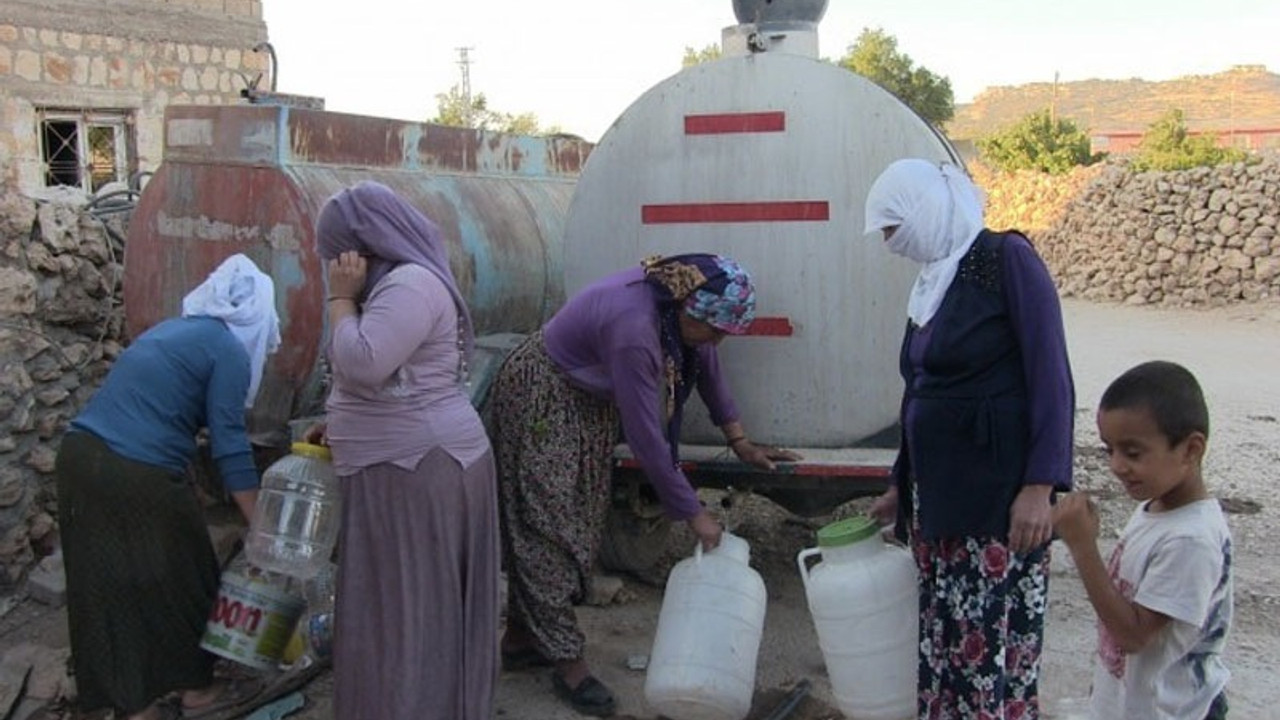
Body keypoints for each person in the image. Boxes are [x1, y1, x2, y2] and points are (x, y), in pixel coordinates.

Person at [490, 252, 798, 717]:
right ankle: (569, 663)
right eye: (715, 330)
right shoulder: (634, 331)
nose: (717, 341)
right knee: (547, 529)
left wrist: (739, 440)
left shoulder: (680, 303)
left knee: (577, 524)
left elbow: (706, 358)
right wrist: (693, 513)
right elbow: (645, 437)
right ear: (691, 311)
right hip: (544, 396)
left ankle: (519, 640)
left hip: (588, 402)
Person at [864, 158, 1075, 719]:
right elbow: (920, 392)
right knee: (946, 640)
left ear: (928, 210)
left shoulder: (1006, 260)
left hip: (994, 503)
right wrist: (898, 482)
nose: (889, 242)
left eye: (893, 227)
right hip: (938, 504)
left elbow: (1052, 375)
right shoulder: (935, 280)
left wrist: (1039, 485)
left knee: (988, 648)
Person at [55, 254, 280, 720]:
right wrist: (260, 525)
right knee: (188, 575)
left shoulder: (173, 330)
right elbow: (230, 444)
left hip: (79, 458)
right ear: (258, 314)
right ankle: (195, 689)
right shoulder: (228, 350)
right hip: (136, 468)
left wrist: (187, 482)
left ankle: (131, 705)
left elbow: (161, 409)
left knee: (106, 586)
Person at [312, 181, 499, 720]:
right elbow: (392, 377)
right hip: (401, 467)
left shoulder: (409, 285)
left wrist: (339, 298)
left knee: (410, 611)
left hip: (419, 470)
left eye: (335, 255)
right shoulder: (397, 284)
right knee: (399, 607)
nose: (332, 266)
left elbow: (367, 363)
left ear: (358, 248)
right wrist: (340, 422)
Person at [1053, 361, 1232, 720]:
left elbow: (1134, 636)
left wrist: (1083, 547)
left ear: (1191, 450)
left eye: (1132, 453)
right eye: (1109, 450)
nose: (1116, 465)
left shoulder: (1191, 540)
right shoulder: (1156, 509)